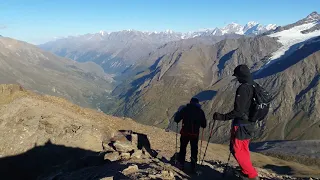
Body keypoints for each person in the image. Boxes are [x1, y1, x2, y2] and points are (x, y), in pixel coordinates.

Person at [213, 64, 260, 180]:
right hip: (250, 124)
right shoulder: (254, 85)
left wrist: (222, 117)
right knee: (244, 149)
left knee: (237, 150)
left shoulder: (243, 88)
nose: (237, 79)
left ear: (241, 76)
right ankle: (247, 171)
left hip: (241, 125)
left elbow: (238, 111)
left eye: (237, 76)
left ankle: (251, 175)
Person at [174, 97, 207, 172]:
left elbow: (176, 120)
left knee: (182, 149)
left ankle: (181, 164)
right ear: (197, 103)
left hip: (184, 133)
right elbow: (204, 125)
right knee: (194, 150)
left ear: (190, 102)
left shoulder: (185, 109)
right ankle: (193, 166)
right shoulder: (200, 111)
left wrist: (179, 111)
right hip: (194, 135)